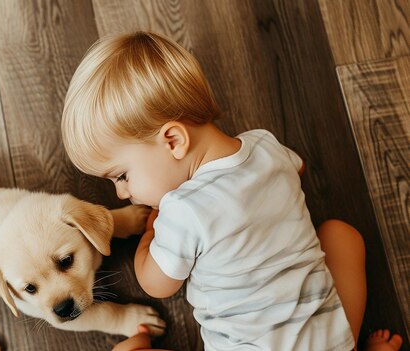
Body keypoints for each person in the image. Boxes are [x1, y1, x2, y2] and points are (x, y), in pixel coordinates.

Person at [60, 31, 403, 351]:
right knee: (342, 236)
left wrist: (151, 232)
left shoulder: (181, 211)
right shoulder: (265, 144)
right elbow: (296, 168)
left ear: (174, 141)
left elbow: (156, 284)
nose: (122, 193)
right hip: (327, 342)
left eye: (121, 176)